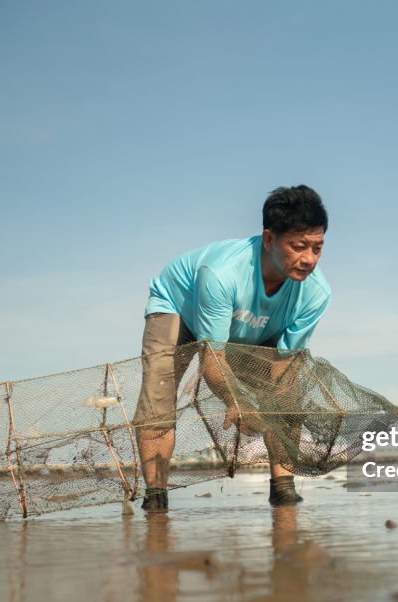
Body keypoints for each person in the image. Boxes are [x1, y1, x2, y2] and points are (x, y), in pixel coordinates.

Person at [133, 185, 331, 511]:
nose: (308, 259)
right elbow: (214, 357)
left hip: (253, 324)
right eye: (298, 247)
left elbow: (284, 363)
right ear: (269, 239)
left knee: (288, 394)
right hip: (179, 308)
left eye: (317, 248)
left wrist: (271, 401)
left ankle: (283, 488)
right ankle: (156, 496)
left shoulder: (316, 294)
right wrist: (235, 400)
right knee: (159, 401)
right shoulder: (223, 274)